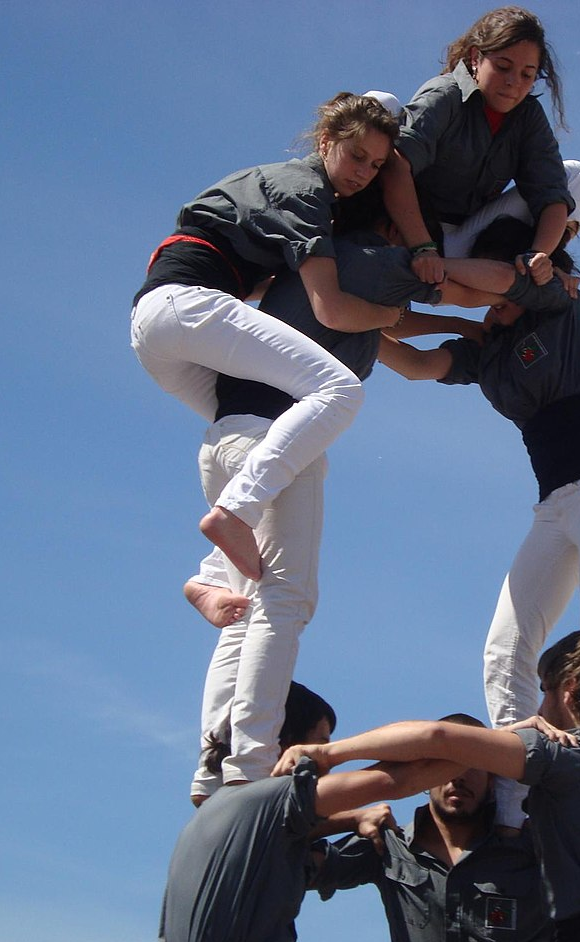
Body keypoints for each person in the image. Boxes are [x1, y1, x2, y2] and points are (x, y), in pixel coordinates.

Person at [181, 202, 497, 801]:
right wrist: (468, 317)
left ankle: (212, 764)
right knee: (287, 598)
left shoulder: (325, 271)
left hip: (226, 437)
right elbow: (437, 300)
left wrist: (459, 337)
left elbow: (407, 357)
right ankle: (248, 765)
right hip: (273, 442)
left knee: (244, 608)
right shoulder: (369, 257)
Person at [377, 216, 580, 829]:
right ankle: (515, 810)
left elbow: (518, 278)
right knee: (506, 647)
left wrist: (466, 282)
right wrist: (343, 325)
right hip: (555, 502)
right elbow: (415, 363)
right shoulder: (489, 351)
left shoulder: (558, 300)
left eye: (485, 293)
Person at [274, 627, 580, 942]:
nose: (541, 709)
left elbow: (434, 738)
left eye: (545, 690)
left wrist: (330, 752)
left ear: (569, 689)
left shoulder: (565, 755)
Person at [131, 92, 402, 583]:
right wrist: (390, 313)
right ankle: (235, 513)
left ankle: (213, 577)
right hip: (185, 305)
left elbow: (261, 280)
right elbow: (332, 310)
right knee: (339, 391)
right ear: (325, 141)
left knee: (251, 431)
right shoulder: (305, 192)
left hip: (160, 330)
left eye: (377, 165)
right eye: (357, 155)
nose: (364, 172)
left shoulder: (278, 182)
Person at [160, 682, 469, 942]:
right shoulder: (273, 798)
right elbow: (416, 769)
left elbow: (292, 849)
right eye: (317, 743)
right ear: (289, 742)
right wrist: (333, 753)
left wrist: (350, 819)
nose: (325, 771)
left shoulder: (221, 811)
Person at [313, 713, 551, 942]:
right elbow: (293, 862)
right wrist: (346, 820)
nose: (458, 777)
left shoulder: (530, 848)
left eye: (471, 764)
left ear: (492, 778)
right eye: (446, 762)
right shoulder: (390, 845)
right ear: (426, 774)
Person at [379, 6, 574, 286]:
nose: (513, 82)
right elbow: (396, 166)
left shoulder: (529, 116)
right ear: (475, 58)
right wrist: (422, 247)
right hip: (413, 231)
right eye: (503, 67)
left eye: (527, 75)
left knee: (577, 175)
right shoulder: (445, 95)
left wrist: (539, 254)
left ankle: (544, 271)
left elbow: (552, 193)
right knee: (379, 105)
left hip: (468, 241)